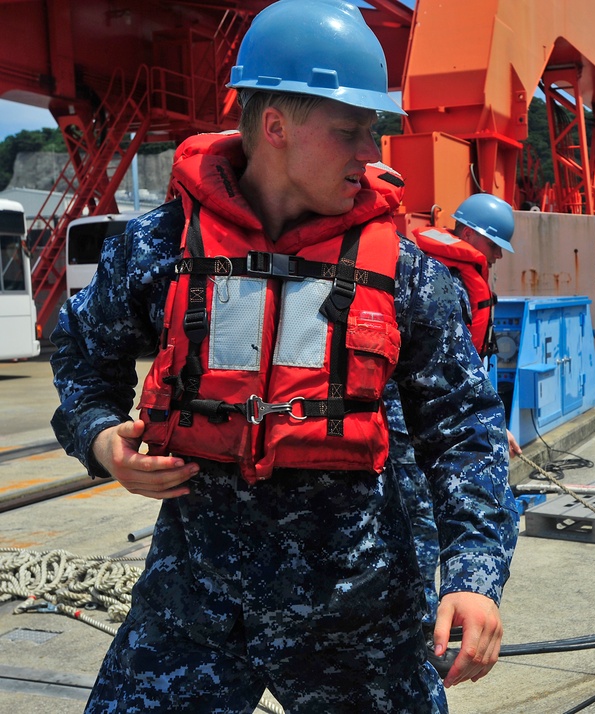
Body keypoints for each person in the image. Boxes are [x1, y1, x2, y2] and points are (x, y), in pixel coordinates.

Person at [48, 1, 518, 712]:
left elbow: (464, 430)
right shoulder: (159, 249)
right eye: (351, 131)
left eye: (375, 132)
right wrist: (102, 439)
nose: (373, 152)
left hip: (359, 614)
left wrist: (473, 577)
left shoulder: (410, 276)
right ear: (276, 126)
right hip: (195, 604)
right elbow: (81, 354)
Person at [388, 193, 521, 634]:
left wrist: (491, 426)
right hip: (415, 449)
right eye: (493, 243)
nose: (498, 253)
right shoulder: (450, 285)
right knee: (429, 541)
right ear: (467, 234)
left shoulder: (434, 275)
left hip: (427, 433)